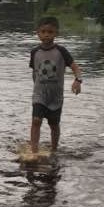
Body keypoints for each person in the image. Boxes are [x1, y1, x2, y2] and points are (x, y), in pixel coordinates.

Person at [29, 16, 82, 154]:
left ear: (56, 33)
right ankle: (34, 152)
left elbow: (75, 67)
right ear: (38, 33)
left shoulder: (61, 51)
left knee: (53, 125)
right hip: (39, 95)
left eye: (50, 32)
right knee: (36, 121)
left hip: (55, 97)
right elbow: (34, 72)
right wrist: (36, 88)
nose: (46, 35)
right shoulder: (34, 52)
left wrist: (78, 80)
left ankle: (54, 149)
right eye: (43, 31)